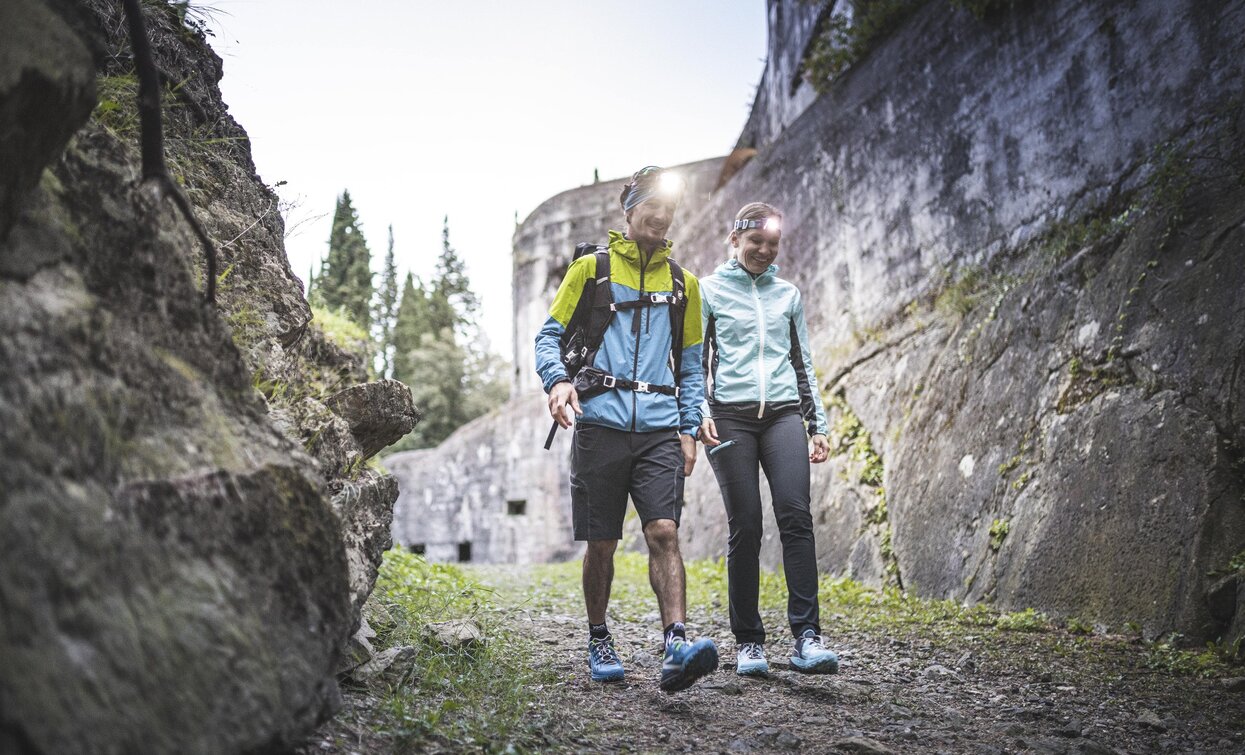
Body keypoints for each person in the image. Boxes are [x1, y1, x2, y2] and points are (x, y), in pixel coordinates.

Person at [534, 165, 719, 692]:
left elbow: (689, 367)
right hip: (601, 426)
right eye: (651, 206)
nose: (660, 216)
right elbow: (549, 336)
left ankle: (676, 643)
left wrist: (687, 428)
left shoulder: (685, 286)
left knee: (663, 532)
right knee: (603, 543)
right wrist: (557, 382)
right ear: (630, 208)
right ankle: (598, 637)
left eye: (668, 208)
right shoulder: (591, 270)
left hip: (660, 429)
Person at [699, 202, 839, 676]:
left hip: (782, 415)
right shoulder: (709, 291)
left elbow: (802, 364)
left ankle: (807, 637)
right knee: (747, 525)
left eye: (772, 244)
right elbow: (695, 360)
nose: (763, 250)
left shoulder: (787, 295)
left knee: (796, 517)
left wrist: (816, 425)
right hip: (729, 418)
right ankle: (750, 642)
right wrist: (698, 411)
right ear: (734, 239)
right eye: (755, 241)